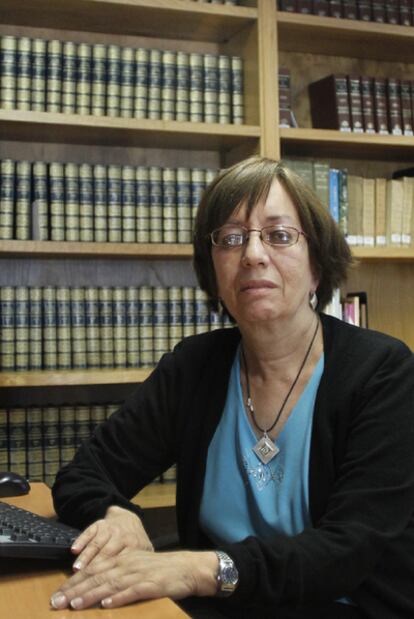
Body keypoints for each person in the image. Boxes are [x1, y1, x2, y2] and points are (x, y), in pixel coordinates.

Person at [51, 156, 414, 619]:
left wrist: (197, 569)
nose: (253, 254)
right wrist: (113, 514)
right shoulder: (195, 366)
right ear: (213, 270)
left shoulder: (383, 372)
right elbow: (84, 473)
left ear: (318, 267)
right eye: (231, 238)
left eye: (279, 236)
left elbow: (347, 551)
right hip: (227, 607)